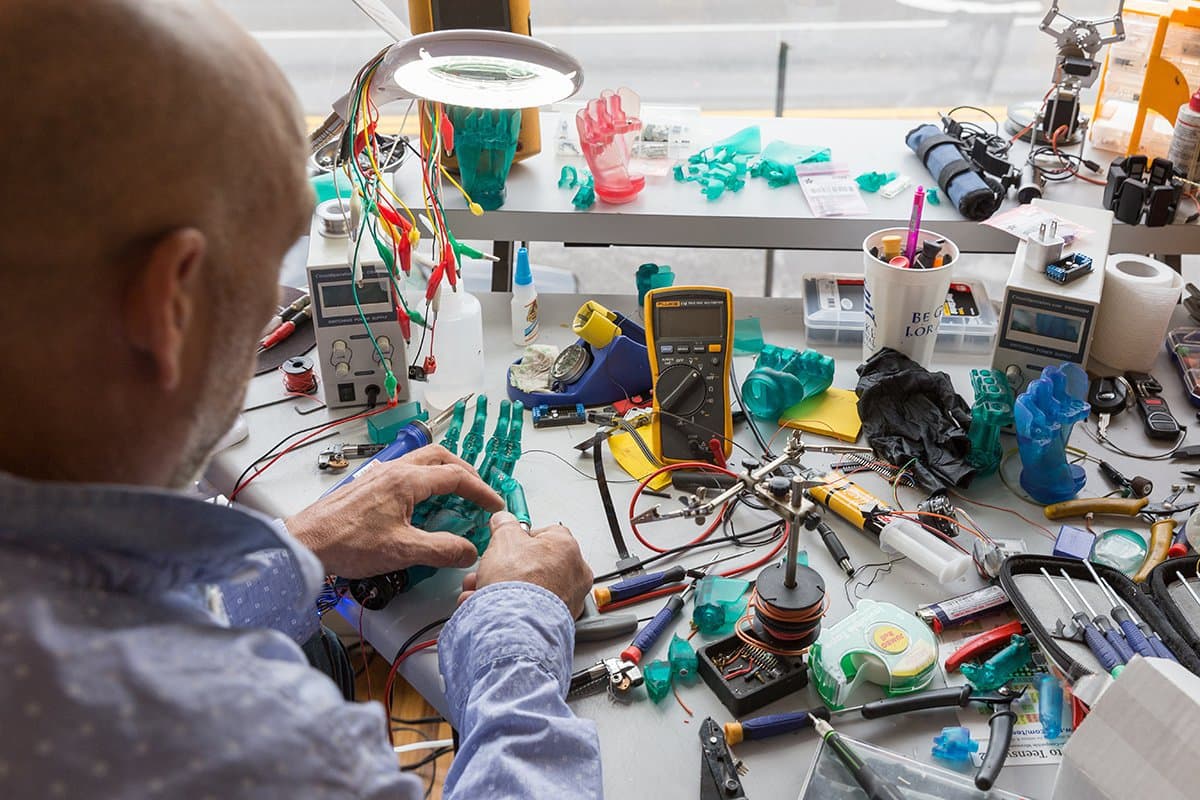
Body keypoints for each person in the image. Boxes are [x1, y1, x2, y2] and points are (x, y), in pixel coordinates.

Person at [0, 1, 601, 797]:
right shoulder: (246, 743)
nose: (282, 312)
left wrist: (299, 549)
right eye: (268, 273)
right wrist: (515, 627)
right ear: (168, 302)